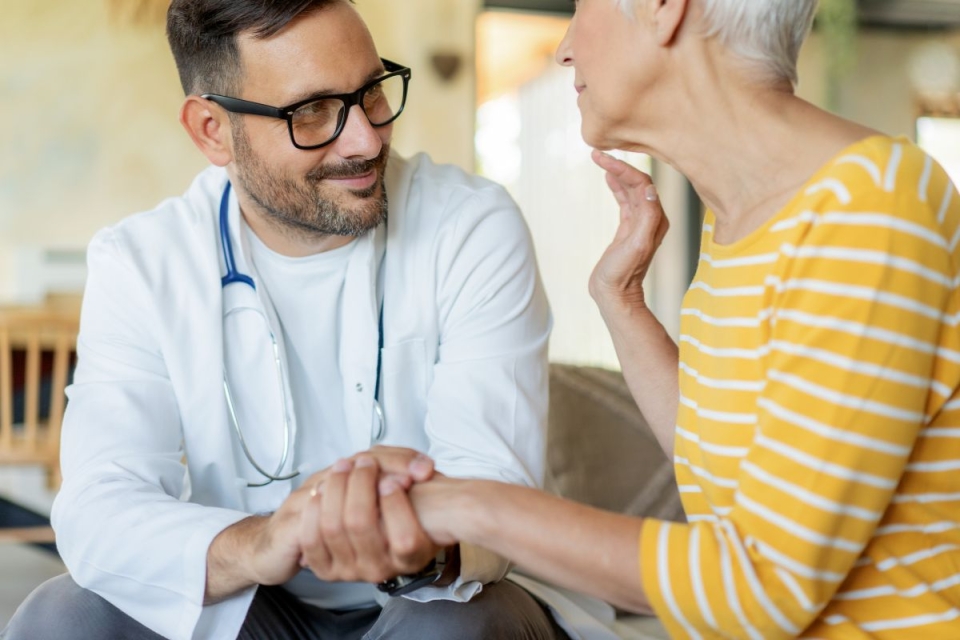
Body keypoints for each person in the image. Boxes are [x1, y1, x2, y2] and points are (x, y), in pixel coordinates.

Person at [363, 0, 960, 638]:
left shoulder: (870, 206)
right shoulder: (743, 223)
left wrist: (469, 506)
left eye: (581, 7)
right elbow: (720, 475)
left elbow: (760, 583)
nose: (565, 48)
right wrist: (619, 297)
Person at [1, 1, 564, 639]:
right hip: (254, 603)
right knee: (63, 615)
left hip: (434, 596)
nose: (366, 139)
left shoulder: (470, 226)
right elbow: (99, 507)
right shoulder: (142, 263)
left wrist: (415, 546)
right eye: (312, 111)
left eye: (371, 91)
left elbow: (498, 489)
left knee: (451, 629)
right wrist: (266, 542)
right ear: (212, 130)